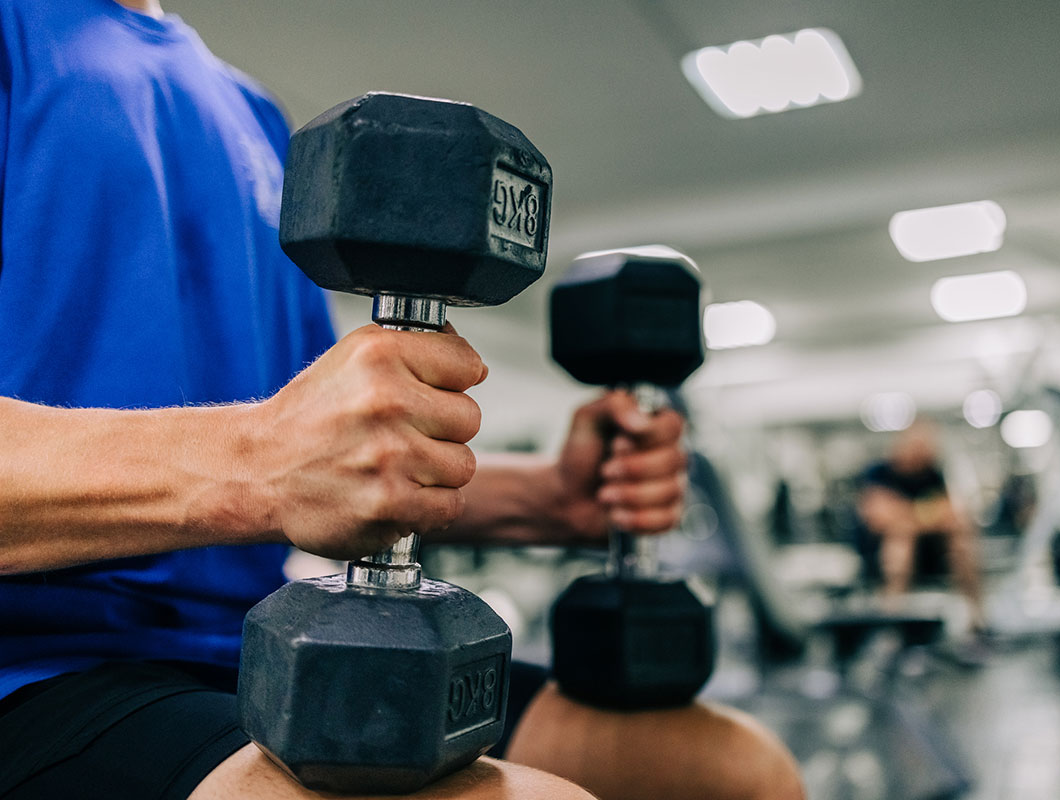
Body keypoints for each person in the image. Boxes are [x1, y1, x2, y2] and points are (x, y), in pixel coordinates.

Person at [0, 2, 805, 799]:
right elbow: (269, 455)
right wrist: (261, 456)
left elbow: (313, 460)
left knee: (727, 771)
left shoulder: (249, 110)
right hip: (34, 670)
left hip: (251, 651)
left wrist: (546, 498)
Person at [856, 420, 985, 630]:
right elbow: (879, 516)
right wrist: (924, 516)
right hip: (882, 555)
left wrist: (908, 516)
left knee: (961, 538)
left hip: (928, 552)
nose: (922, 453)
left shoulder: (932, 474)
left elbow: (951, 513)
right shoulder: (878, 473)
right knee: (901, 537)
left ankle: (977, 619)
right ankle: (891, 619)